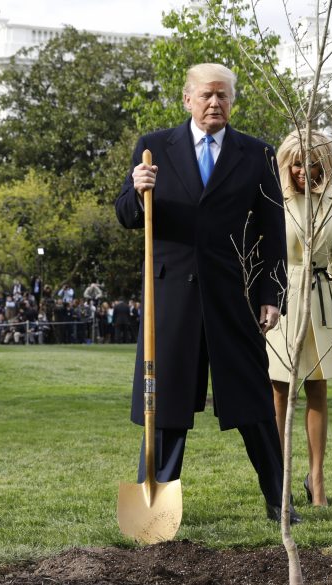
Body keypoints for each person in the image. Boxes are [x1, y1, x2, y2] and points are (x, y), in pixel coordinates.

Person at [115, 63, 295, 523]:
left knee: (252, 400)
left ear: (232, 102)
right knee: (167, 403)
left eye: (224, 96)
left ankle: (280, 501)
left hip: (233, 294)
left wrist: (272, 293)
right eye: (207, 96)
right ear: (187, 99)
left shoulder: (256, 154)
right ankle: (154, 505)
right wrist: (137, 192)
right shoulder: (154, 149)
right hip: (170, 296)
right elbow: (126, 215)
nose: (215, 103)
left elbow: (273, 232)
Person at [266, 131, 332, 507]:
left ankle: (317, 479)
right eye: (297, 163)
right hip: (283, 295)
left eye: (312, 163)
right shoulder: (272, 198)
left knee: (318, 388)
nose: (303, 171)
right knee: (280, 388)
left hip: (322, 295)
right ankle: (279, 479)